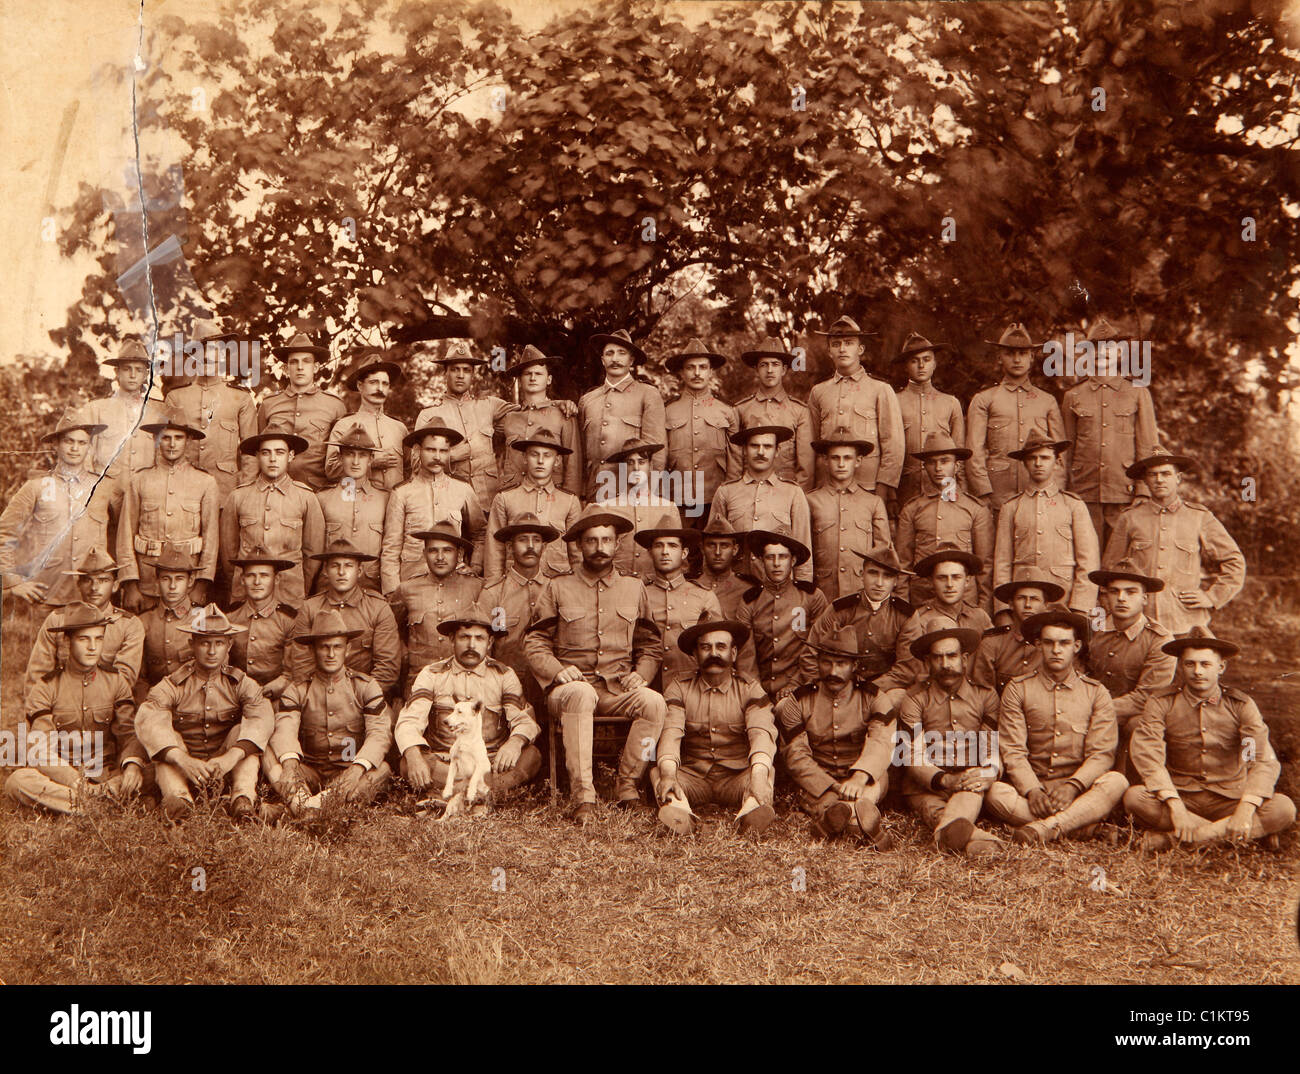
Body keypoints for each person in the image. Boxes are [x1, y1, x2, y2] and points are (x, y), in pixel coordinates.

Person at [523, 505, 666, 822]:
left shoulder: (633, 587)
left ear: (617, 545)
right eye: (591, 541)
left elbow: (651, 643)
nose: (599, 548)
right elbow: (534, 641)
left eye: (606, 540)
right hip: (569, 693)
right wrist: (558, 671)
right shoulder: (558, 587)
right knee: (582, 693)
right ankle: (583, 795)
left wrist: (642, 675)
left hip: (617, 691)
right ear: (578, 545)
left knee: (654, 703)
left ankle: (627, 787)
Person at [1123, 629, 1295, 851]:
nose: (1197, 672)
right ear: (1180, 667)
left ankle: (1174, 841)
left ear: (1220, 667)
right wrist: (1176, 806)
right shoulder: (1162, 703)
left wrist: (1245, 809)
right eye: (1189, 664)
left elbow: (1260, 759)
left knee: (1283, 808)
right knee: (1134, 798)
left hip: (1230, 798)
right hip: (1182, 796)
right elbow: (1149, 755)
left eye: (1205, 664)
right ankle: (1244, 836)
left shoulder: (1240, 705)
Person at [985, 607, 1128, 844]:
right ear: (1038, 645)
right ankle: (1082, 827)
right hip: (1033, 792)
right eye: (1049, 643)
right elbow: (1013, 751)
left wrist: (1072, 786)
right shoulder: (1018, 689)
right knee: (994, 794)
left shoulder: (1096, 693)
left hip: (1078, 791)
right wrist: (1033, 790)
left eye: (1064, 643)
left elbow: (1101, 754)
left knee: (1116, 782)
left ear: (1077, 646)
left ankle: (1043, 829)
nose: (1056, 650)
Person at [5, 602, 152, 814]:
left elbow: (128, 735)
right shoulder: (46, 687)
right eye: (84, 639)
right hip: (64, 777)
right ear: (67, 642)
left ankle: (78, 805)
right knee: (18, 781)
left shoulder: (116, 682)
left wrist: (132, 767)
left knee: (155, 771)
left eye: (98, 639)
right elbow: (41, 751)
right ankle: (100, 803)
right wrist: (80, 784)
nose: (93, 647)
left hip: (108, 774)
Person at [134, 603, 274, 822]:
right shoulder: (173, 684)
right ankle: (180, 803)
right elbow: (149, 719)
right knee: (167, 744)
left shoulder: (240, 683)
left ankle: (242, 801)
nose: (211, 651)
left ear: (229, 645)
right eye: (204, 643)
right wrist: (182, 759)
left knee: (243, 734)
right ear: (192, 644)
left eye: (218, 643)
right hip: (183, 770)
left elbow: (262, 717)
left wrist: (231, 757)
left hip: (225, 770)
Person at [397, 605, 543, 808]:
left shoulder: (503, 675)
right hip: (445, 762)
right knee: (408, 760)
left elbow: (524, 721)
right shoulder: (432, 674)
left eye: (479, 638)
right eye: (464, 637)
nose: (471, 645)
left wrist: (515, 742)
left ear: (490, 642)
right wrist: (413, 754)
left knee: (532, 756)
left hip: (489, 763)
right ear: (452, 640)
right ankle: (481, 797)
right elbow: (409, 720)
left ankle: (447, 796)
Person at [651, 620, 778, 836]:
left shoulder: (749, 688)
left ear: (734, 652)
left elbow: (761, 732)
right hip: (694, 777)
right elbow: (671, 732)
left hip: (736, 777)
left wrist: (757, 775)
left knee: (765, 774)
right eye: (705, 647)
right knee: (659, 773)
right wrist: (669, 774)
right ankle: (680, 815)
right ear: (695, 654)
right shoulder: (679, 687)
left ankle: (750, 815)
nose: (713, 654)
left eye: (721, 647)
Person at [1102, 446, 1245, 636]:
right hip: (1140, 620)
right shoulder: (1130, 518)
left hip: (1184, 620)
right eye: (1153, 475)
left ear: (1177, 479)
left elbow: (1234, 561)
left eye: (1166, 474)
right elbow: (1110, 569)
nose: (1159, 480)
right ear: (1145, 481)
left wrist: (1212, 596)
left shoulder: (1199, 516)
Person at [265, 609, 394, 816]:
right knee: (269, 753)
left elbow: (379, 734)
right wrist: (289, 765)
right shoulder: (298, 689)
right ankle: (314, 807)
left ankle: (298, 809)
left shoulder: (364, 687)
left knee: (383, 769)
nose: (331, 654)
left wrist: (356, 769)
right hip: (310, 771)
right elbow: (285, 729)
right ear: (313, 650)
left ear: (348, 649)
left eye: (337, 647)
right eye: (324, 647)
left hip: (349, 771)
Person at [775, 626, 895, 848]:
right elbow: (795, 756)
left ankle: (836, 821)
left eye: (841, 664)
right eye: (827, 662)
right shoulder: (798, 701)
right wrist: (834, 786)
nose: (833, 671)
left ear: (854, 666)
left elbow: (881, 741)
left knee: (876, 781)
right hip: (819, 780)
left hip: (864, 777)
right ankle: (859, 823)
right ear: (817, 662)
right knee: (827, 801)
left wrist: (859, 777)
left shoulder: (874, 697)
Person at [898, 620, 1003, 859]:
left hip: (968, 781)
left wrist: (989, 772)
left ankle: (951, 838)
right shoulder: (914, 699)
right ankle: (977, 840)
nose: (945, 665)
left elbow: (991, 745)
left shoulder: (985, 696)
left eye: (951, 656)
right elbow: (910, 756)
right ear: (928, 662)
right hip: (926, 787)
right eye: (937, 658)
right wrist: (945, 780)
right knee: (936, 811)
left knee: (966, 796)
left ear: (964, 659)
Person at [1060, 317, 1159, 545]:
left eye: (1108, 347)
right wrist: (1063, 490)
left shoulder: (1137, 392)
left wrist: (1143, 490)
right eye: (1093, 348)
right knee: (1085, 556)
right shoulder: (1073, 396)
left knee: (1121, 559)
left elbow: (1148, 446)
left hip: (1124, 491)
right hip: (1083, 492)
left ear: (1120, 354)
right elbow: (1066, 449)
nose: (1100, 353)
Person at [0, 413, 109, 610]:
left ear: (90, 447)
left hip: (92, 596)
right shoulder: (36, 487)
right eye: (68, 441)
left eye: (82, 443)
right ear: (56, 445)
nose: (75, 448)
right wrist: (13, 581)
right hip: (47, 594)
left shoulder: (103, 487)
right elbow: (4, 534)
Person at [992, 430, 1099, 621]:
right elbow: (1002, 562)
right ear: (1024, 463)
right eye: (1032, 458)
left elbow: (1088, 561)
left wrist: (1081, 608)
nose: (1038, 463)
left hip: (1064, 603)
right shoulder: (1011, 507)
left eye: (1045, 457)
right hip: (1023, 606)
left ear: (1057, 462)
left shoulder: (1073, 505)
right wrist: (1003, 610)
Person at [117, 415, 218, 609]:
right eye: (165, 437)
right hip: (147, 582)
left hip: (186, 583)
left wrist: (201, 585)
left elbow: (211, 541)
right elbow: (125, 535)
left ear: (188, 441)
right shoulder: (140, 480)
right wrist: (130, 585)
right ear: (156, 440)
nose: (172, 444)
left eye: (178, 438)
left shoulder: (205, 482)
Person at [1085, 561, 1176, 776]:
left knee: (1138, 725)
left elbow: (1146, 697)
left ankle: (1131, 788)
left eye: (1131, 592)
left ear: (1144, 598)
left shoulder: (1159, 640)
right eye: (1114, 592)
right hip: (1088, 710)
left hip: (1127, 715)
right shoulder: (1092, 629)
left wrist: (1095, 710)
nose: (1121, 598)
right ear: (1105, 597)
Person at [965, 323, 1065, 516]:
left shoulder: (1047, 401)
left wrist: (1056, 490)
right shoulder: (984, 399)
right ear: (999, 357)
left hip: (1040, 493)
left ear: (1032, 357)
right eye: (1010, 353)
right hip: (998, 495)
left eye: (1022, 353)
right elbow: (974, 451)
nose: (1017, 359)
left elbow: (1060, 454)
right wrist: (983, 491)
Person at [221, 423, 326, 604]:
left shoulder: (306, 497)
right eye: (265, 452)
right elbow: (229, 554)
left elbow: (313, 553)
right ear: (257, 456)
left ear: (291, 455)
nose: (272, 459)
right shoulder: (238, 496)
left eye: (279, 452)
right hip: (246, 593)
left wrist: (299, 586)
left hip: (289, 593)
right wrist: (239, 582)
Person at [872, 545, 993, 702]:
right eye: (942, 578)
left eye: (956, 577)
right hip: (932, 699)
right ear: (931, 581)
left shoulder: (980, 618)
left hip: (974, 699)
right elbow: (910, 671)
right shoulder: (918, 619)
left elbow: (990, 665)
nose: (949, 584)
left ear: (968, 580)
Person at [807, 315, 905, 502]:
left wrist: (884, 487)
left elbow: (893, 444)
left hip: (867, 486)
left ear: (860, 349)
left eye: (849, 343)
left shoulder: (880, 389)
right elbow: (811, 443)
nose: (842, 349)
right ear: (829, 351)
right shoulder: (818, 392)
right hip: (826, 488)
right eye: (836, 344)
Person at [285, 539, 402, 697]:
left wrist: (362, 699)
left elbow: (387, 668)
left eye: (348, 565)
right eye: (335, 566)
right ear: (325, 571)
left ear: (359, 571)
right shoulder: (310, 607)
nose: (341, 572)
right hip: (317, 697)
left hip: (365, 698)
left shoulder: (378, 608)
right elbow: (301, 665)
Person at [25, 548, 144, 698]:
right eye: (88, 580)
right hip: (63, 702)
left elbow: (125, 679)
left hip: (107, 705)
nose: (94, 588)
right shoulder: (57, 619)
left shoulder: (129, 625)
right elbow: (38, 674)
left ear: (115, 586)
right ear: (78, 584)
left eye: (103, 580)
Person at [414, 339, 521, 506]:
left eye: (466, 370)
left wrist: (557, 404)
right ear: (445, 373)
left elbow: (528, 413)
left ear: (472, 375)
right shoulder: (429, 414)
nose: (461, 375)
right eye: (455, 369)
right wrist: (451, 456)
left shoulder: (488, 405)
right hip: (448, 503)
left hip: (487, 501)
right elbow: (415, 464)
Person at [163, 318, 258, 505]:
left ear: (222, 354)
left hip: (226, 492)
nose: (206, 355)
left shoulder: (240, 398)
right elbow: (164, 446)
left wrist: (244, 489)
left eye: (213, 349)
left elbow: (250, 451)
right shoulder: (176, 398)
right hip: (183, 489)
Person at [381, 422, 486, 591]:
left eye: (443, 451)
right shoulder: (402, 493)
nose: (437, 457)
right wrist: (393, 591)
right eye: (430, 450)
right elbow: (391, 548)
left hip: (453, 583)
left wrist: (475, 567)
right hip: (413, 583)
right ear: (418, 451)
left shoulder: (463, 489)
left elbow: (480, 533)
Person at [895, 432, 993, 608]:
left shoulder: (975, 509)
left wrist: (983, 611)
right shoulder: (912, 509)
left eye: (945, 461)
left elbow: (984, 567)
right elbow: (903, 565)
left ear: (956, 466)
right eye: (932, 462)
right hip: (922, 601)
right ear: (925, 467)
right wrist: (904, 609)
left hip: (964, 603)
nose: (938, 468)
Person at [709, 425, 813, 584]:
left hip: (778, 588)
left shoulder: (792, 493)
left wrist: (803, 590)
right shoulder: (726, 492)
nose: (761, 452)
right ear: (744, 450)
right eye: (754, 446)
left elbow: (803, 546)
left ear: (777, 451)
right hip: (736, 586)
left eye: (767, 446)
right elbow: (712, 544)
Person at [388, 523, 483, 696]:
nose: (440, 557)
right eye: (433, 551)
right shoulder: (407, 589)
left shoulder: (476, 588)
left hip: (464, 684)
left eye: (447, 550)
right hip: (418, 682)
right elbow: (392, 633)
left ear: (459, 554)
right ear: (424, 554)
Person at [78, 338, 164, 523]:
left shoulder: (155, 413)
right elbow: (84, 454)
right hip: (105, 494)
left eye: (139, 370)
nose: (133, 375)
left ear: (145, 375)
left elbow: (162, 455)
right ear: (116, 372)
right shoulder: (96, 409)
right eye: (127, 369)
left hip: (144, 493)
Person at [735, 527, 827, 699]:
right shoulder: (750, 601)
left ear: (792, 560)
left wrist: (796, 684)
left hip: (802, 686)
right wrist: (756, 691)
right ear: (762, 561)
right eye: (770, 557)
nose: (776, 563)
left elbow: (818, 649)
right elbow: (745, 655)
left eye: (783, 557)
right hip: (758, 688)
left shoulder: (811, 597)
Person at [577, 328, 667, 498]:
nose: (615, 359)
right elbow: (581, 454)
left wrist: (649, 493)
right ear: (602, 360)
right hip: (595, 492)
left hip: (631, 492)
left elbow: (657, 453)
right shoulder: (587, 400)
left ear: (631, 360)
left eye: (622, 353)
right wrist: (582, 495)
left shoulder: (647, 394)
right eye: (609, 353)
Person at [636, 513, 723, 687]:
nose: (665, 551)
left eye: (672, 546)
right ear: (650, 552)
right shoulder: (638, 594)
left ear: (684, 553)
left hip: (692, 687)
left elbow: (718, 647)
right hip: (648, 687)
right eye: (659, 546)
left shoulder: (704, 596)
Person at [806, 544, 914, 686]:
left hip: (884, 689)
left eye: (887, 576)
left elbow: (906, 670)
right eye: (873, 573)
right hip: (839, 686)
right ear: (862, 575)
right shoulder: (840, 609)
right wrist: (826, 686)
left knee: (896, 699)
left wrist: (868, 690)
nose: (879, 583)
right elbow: (810, 654)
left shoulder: (905, 615)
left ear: (895, 582)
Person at [484, 428, 581, 582]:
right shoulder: (505, 498)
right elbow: (494, 551)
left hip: (556, 584)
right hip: (515, 584)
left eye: (547, 455)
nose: (540, 461)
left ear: (556, 461)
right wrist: (493, 587)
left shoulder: (569, 501)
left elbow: (577, 556)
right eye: (534, 454)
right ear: (524, 457)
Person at [806, 427, 890, 600]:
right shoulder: (810, 501)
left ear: (858, 461)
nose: (841, 464)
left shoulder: (873, 503)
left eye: (848, 458)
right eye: (835, 458)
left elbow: (884, 557)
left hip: (860, 594)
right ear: (825, 460)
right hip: (822, 593)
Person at [258, 330, 347, 491]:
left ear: (316, 367)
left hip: (318, 490)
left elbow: (341, 457)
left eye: (306, 361)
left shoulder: (334, 405)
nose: (300, 367)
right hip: (274, 489)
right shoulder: (269, 404)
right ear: (285, 368)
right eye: (294, 362)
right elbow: (258, 452)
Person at [479, 513, 557, 696]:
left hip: (551, 686)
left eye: (536, 540)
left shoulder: (556, 589)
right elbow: (484, 648)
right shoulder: (493, 593)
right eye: (522, 540)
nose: (530, 546)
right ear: (509, 546)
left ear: (544, 546)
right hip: (506, 686)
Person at [663, 337, 740, 516]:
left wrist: (730, 496)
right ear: (681, 373)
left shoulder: (727, 410)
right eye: (690, 367)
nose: (697, 373)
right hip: (678, 497)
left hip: (716, 497)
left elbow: (736, 460)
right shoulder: (668, 410)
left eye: (703, 367)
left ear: (711, 372)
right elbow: (661, 458)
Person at [498, 345, 583, 495]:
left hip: (552, 496)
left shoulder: (563, 415)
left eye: (538, 374)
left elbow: (573, 465)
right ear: (519, 379)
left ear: (549, 379)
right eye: (527, 374)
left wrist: (571, 501)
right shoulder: (510, 417)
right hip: (514, 496)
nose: (532, 378)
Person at [892, 333, 964, 508]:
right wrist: (891, 496)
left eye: (927, 359)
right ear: (905, 366)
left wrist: (952, 493)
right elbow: (890, 451)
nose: (921, 365)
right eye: (914, 360)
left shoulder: (950, 403)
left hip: (943, 490)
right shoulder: (894, 401)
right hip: (905, 490)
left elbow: (959, 456)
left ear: (935, 364)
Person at [735, 336, 814, 491]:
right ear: (757, 370)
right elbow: (735, 463)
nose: (770, 370)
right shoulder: (741, 409)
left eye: (775, 364)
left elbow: (806, 470)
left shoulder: (799, 411)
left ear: (784, 370)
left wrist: (797, 501)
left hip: (786, 493)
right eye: (764, 365)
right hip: (748, 492)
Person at [324, 349, 409, 491]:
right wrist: (371, 464)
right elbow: (331, 470)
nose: (380, 389)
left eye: (385, 384)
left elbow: (410, 469)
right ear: (360, 386)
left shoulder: (399, 428)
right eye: (374, 382)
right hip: (360, 504)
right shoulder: (344, 425)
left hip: (395, 506)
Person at [316, 426, 389, 591]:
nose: (355, 462)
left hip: (371, 588)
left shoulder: (385, 499)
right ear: (340, 458)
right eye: (349, 454)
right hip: (329, 588)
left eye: (362, 455)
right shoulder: (322, 498)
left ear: (371, 459)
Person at [599, 436, 683, 577]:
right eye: (630, 463)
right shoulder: (607, 508)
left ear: (650, 466)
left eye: (641, 462)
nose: (636, 468)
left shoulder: (668, 508)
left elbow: (676, 555)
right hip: (618, 586)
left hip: (654, 586)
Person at [226, 547, 299, 701]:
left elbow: (291, 673)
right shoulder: (230, 617)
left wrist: (266, 691)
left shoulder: (289, 619)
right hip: (233, 694)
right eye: (251, 575)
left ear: (276, 579)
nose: (257, 582)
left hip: (275, 696)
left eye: (264, 575)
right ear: (242, 579)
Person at [970, 576, 1062, 694]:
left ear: (1046, 605)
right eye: (1021, 598)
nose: (1028, 605)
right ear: (1011, 604)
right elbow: (984, 695)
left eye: (1034, 599)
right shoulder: (992, 643)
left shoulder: (1057, 645)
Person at [135, 550, 201, 697]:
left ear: (190, 581)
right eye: (166, 579)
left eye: (179, 579)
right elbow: (139, 677)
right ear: (157, 581)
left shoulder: (203, 619)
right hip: (154, 699)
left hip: (193, 700)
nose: (172, 586)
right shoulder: (143, 621)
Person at [692, 515, 751, 618]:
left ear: (735, 550)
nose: (718, 552)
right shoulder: (689, 585)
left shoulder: (747, 590)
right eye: (711, 545)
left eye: (724, 545)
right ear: (702, 549)